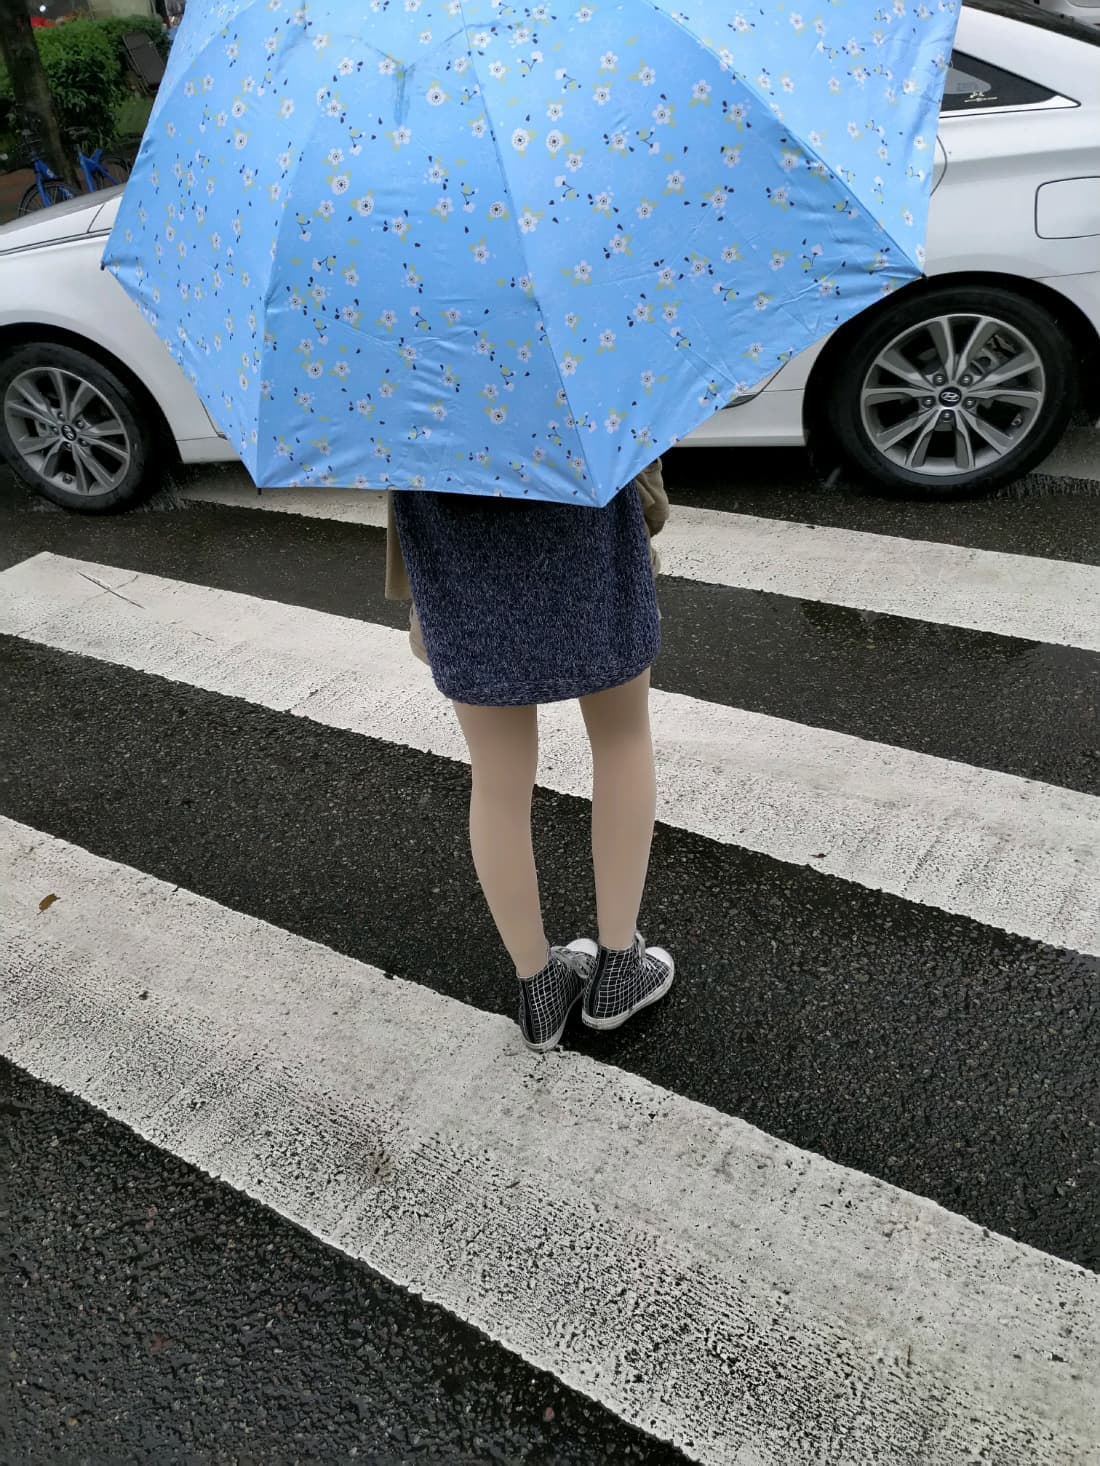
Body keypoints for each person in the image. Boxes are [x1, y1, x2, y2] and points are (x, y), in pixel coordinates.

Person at [385, 460, 675, 1053]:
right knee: (621, 738)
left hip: (455, 543)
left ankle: (538, 988)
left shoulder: (397, 370)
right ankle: (619, 969)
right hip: (584, 518)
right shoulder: (571, 360)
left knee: (497, 777)